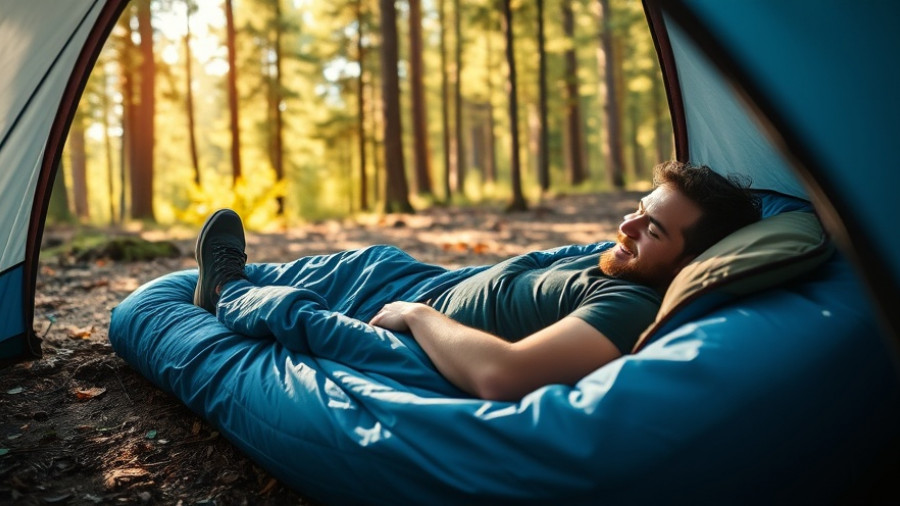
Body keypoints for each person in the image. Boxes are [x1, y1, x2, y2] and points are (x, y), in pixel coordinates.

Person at [192, 161, 760, 401]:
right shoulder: (620, 259)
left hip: (413, 336)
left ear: (689, 263)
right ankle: (239, 276)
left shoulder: (631, 303)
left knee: (295, 311)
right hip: (416, 282)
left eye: (652, 228)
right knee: (373, 255)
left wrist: (416, 315)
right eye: (639, 206)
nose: (627, 225)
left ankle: (226, 290)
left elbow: (502, 376)